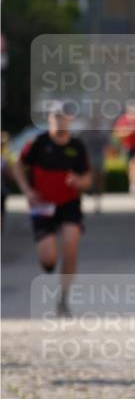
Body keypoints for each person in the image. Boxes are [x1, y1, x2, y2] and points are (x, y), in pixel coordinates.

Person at [13, 104, 92, 315]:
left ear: (70, 120)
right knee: (48, 260)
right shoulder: (38, 143)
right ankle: (49, 262)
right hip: (42, 205)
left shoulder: (77, 146)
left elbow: (87, 179)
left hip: (69, 204)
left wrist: (78, 181)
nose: (60, 120)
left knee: (70, 247)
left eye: (64, 117)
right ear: (49, 119)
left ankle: (63, 299)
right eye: (56, 116)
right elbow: (17, 165)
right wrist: (27, 191)